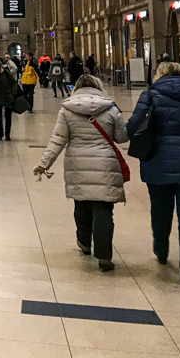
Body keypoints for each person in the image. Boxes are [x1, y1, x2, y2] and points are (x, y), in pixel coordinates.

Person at [33, 75, 128, 272]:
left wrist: (44, 164)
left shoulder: (67, 109)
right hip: (104, 162)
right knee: (103, 209)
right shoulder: (110, 108)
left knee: (82, 204)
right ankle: (104, 257)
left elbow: (58, 139)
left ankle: (84, 242)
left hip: (77, 163)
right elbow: (121, 137)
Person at [126, 62, 180, 285]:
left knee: (160, 211)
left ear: (159, 75)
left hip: (157, 163)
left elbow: (133, 126)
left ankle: (161, 250)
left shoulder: (150, 95)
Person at [0, 57, 21, 141]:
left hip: (8, 96)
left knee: (8, 116)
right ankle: (0, 133)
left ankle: (7, 134)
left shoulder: (5, 72)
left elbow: (13, 82)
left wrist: (12, 93)